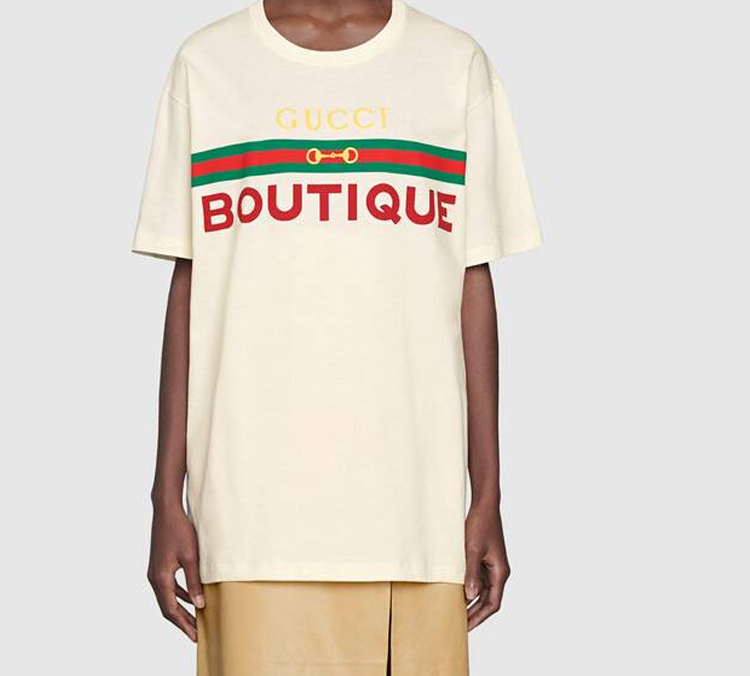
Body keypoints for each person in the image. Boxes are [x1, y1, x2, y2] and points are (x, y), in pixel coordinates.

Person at [133, 1, 542, 674]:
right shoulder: (208, 63)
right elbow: (191, 283)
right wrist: (163, 496)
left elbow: (472, 280)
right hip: (250, 515)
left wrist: (488, 493)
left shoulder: (452, 64)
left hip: (414, 516)